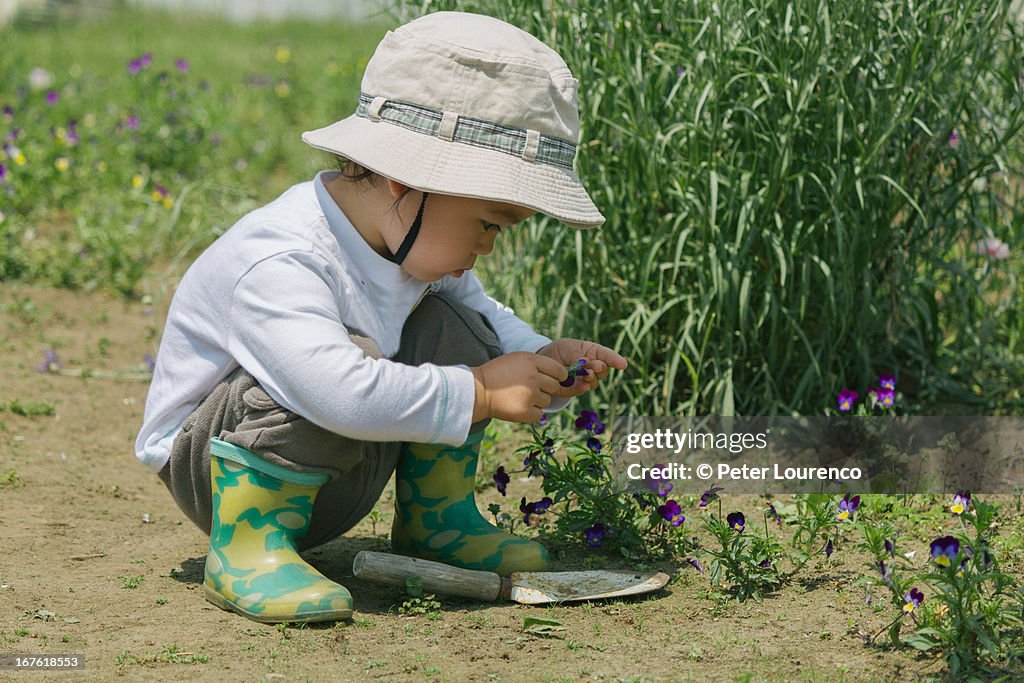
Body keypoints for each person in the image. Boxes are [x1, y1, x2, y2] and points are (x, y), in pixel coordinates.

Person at [134, 11, 627, 624]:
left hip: (340, 467)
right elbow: (335, 391)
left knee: (456, 327)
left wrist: (544, 358)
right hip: (218, 472)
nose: (490, 246)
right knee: (345, 360)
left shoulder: (409, 250)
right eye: (488, 224)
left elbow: (485, 323)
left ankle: (435, 521)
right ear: (404, 181)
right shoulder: (280, 260)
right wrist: (480, 389)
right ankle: (248, 551)